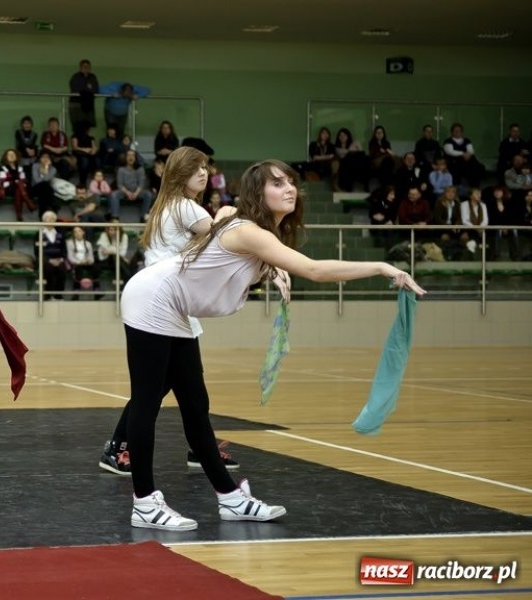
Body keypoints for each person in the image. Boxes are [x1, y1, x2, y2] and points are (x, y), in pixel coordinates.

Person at [120, 159, 425, 530]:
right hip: (152, 297)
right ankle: (144, 503)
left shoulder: (254, 230)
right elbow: (313, 270)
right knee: (148, 399)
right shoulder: (250, 231)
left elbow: (237, 228)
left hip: (172, 303)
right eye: (277, 183)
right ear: (258, 193)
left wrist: (273, 268)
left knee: (195, 404)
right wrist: (381, 267)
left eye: (291, 182)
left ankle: (230, 498)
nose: (289, 189)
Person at [100, 147, 258, 476]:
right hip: (163, 302)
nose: (203, 172)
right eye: (195, 168)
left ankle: (197, 447)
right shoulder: (186, 207)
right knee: (160, 389)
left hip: (167, 299)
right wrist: (237, 215)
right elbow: (223, 238)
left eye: (205, 167)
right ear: (177, 174)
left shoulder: (169, 206)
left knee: (184, 386)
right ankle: (122, 447)